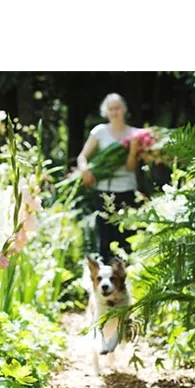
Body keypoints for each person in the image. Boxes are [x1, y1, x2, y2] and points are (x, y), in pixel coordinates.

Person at [77, 93, 142, 263]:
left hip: (127, 189)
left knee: (126, 236)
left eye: (117, 108)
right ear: (106, 111)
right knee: (104, 239)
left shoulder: (134, 134)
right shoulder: (99, 132)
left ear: (124, 109)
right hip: (104, 191)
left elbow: (130, 167)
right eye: (111, 109)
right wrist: (85, 171)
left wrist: (134, 150)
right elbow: (82, 157)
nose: (115, 112)